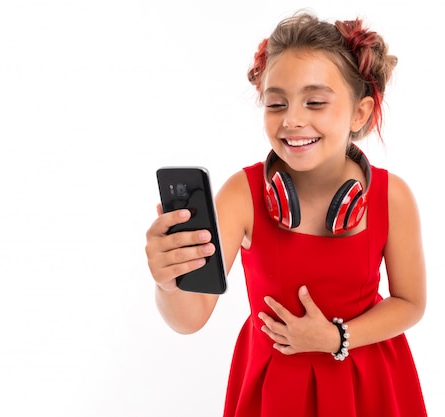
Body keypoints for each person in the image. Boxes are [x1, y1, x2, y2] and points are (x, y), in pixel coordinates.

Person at [145, 11, 427, 417]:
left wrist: (336, 338)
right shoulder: (242, 194)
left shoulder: (391, 196)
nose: (292, 119)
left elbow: (410, 302)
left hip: (367, 384)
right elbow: (189, 320)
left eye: (315, 102)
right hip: (276, 392)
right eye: (276, 103)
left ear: (360, 113)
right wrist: (168, 283)